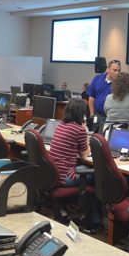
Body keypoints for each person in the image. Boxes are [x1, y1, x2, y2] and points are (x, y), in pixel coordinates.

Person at [47, 98, 101, 231]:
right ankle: (93, 220)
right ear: (81, 114)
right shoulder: (79, 130)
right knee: (97, 176)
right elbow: (84, 155)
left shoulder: (61, 125)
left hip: (55, 174)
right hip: (66, 177)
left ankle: (88, 216)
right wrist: (85, 132)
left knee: (90, 173)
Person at [87, 59, 121, 129]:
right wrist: (92, 114)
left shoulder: (119, 84)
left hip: (111, 117)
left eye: (119, 71)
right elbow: (91, 97)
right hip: (97, 115)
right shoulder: (97, 79)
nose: (117, 73)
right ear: (108, 69)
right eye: (115, 70)